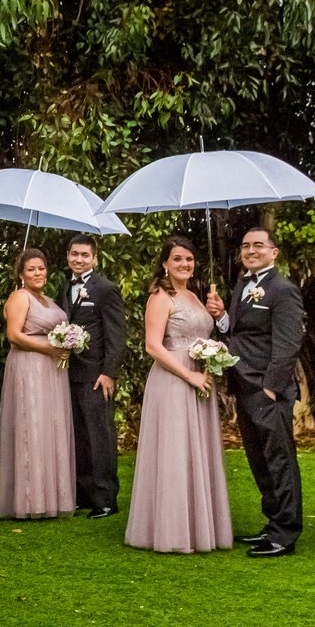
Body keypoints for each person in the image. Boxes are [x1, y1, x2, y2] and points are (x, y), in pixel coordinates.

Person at [126, 237, 233, 554]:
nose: (184, 264)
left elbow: (207, 332)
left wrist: (219, 315)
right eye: (177, 259)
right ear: (165, 264)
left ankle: (199, 526)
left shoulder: (196, 296)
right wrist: (190, 375)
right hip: (174, 380)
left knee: (195, 450)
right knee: (175, 451)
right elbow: (153, 345)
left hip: (201, 378)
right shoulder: (160, 297)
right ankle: (173, 531)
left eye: (189, 259)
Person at [206, 227, 304, 558]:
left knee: (279, 460)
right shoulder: (242, 284)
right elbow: (239, 332)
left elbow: (288, 343)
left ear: (274, 252)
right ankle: (272, 522)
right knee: (259, 460)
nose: (250, 250)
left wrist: (271, 388)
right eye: (246, 245)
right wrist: (222, 317)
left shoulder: (283, 289)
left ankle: (285, 534)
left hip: (267, 387)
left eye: (258, 245)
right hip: (243, 383)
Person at [0, 249, 75, 519]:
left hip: (52, 372)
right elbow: (14, 335)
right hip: (29, 368)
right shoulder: (20, 297)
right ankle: (30, 501)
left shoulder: (48, 299)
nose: (37, 273)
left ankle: (52, 496)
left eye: (41, 268)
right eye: (31, 269)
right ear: (21, 273)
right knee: (32, 426)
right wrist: (49, 348)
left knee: (49, 427)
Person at [63, 234, 125, 518]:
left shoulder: (106, 289)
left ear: (95, 259)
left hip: (96, 374)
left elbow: (116, 335)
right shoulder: (64, 288)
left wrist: (109, 372)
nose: (79, 259)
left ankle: (106, 498)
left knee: (100, 436)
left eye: (84, 255)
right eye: (74, 254)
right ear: (68, 256)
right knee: (79, 436)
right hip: (69, 373)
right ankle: (84, 494)